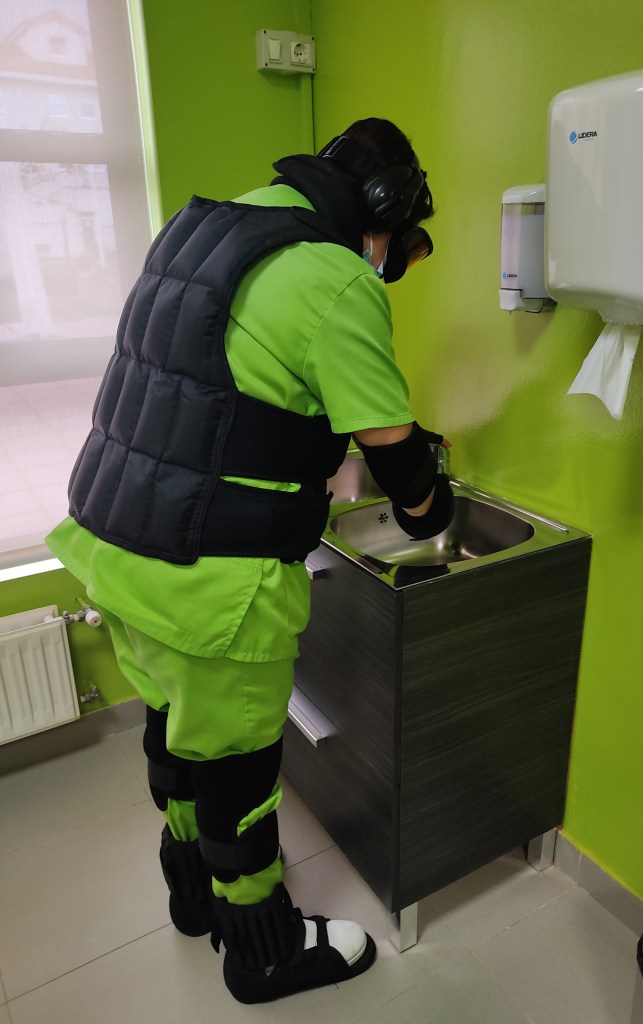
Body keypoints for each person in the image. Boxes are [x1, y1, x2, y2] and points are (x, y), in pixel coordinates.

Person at [45, 117, 453, 1004]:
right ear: (381, 214)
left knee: (176, 731)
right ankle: (261, 947)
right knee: (239, 770)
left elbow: (209, 395)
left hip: (114, 541)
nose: (391, 264)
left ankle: (191, 892)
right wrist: (431, 506)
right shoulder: (336, 276)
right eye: (400, 245)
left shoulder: (200, 233)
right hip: (210, 576)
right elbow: (397, 458)